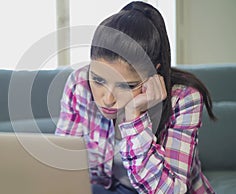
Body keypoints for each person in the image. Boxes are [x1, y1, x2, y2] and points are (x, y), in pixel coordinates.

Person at [55, 1, 216, 193]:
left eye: (127, 85)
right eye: (98, 80)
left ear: (152, 74)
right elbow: (62, 167)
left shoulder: (184, 99)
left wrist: (134, 119)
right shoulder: (79, 83)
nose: (107, 99)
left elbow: (172, 191)